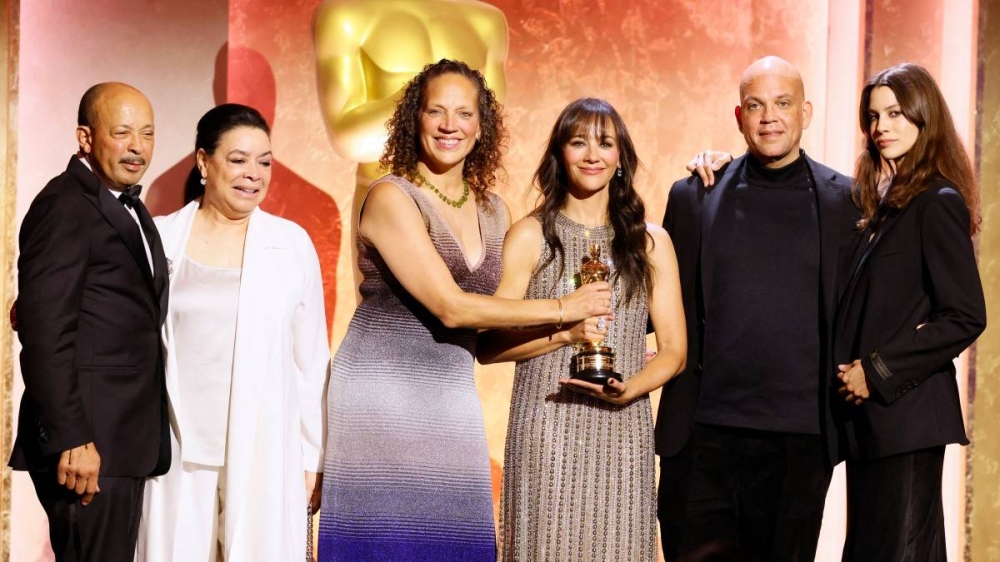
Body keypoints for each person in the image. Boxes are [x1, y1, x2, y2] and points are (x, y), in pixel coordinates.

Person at [318, 60, 610, 561]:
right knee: (383, 544)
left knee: (458, 543)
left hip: (450, 396)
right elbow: (452, 309)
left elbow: (490, 346)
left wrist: (568, 333)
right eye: (436, 111)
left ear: (482, 126)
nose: (450, 125)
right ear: (416, 119)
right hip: (380, 396)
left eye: (464, 113)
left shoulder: (495, 211)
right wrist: (564, 307)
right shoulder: (391, 195)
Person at [657, 56, 859, 562]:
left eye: (783, 103)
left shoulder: (849, 203)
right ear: (738, 116)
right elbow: (657, 304)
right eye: (756, 105)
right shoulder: (693, 196)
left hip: (800, 439)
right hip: (702, 434)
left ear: (806, 112)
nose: (769, 116)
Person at [477, 98, 686, 561]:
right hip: (546, 431)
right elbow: (488, 346)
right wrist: (564, 332)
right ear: (560, 154)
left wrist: (630, 389)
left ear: (620, 159)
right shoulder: (531, 235)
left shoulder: (651, 244)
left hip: (623, 431)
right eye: (579, 142)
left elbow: (674, 351)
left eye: (605, 143)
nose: (592, 154)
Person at [136, 104, 330, 562]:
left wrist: (311, 459)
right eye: (239, 160)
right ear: (204, 162)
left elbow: (311, 362)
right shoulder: (160, 238)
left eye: (264, 162)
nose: (253, 174)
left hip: (265, 446)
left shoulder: (290, 244)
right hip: (177, 449)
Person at [10, 82, 169, 561]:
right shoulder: (64, 205)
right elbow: (44, 334)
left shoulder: (128, 204)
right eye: (122, 133)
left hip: (120, 439)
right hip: (85, 447)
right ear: (85, 137)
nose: (137, 147)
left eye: (147, 133)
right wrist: (74, 437)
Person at [834, 63, 986, 562]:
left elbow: (965, 315)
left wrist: (875, 371)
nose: (881, 127)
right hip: (872, 422)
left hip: (907, 416)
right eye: (874, 116)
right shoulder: (883, 206)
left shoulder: (937, 201)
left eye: (896, 114)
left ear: (925, 117)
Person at [313, 0, 508, 292]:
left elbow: (488, 127)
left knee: (480, 322)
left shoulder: (487, 21)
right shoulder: (344, 15)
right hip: (388, 198)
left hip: (464, 203)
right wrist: (431, 89)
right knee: (396, 326)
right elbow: (346, 137)